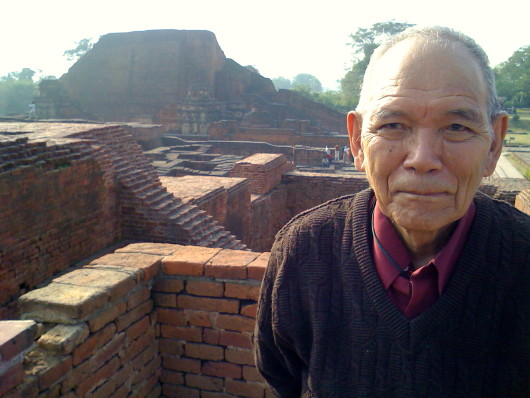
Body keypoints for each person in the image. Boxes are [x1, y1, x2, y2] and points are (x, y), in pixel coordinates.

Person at [255, 26, 530, 397]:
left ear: (494, 144)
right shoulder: (304, 252)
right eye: (393, 125)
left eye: (456, 126)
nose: (422, 159)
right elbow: (281, 375)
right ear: (356, 140)